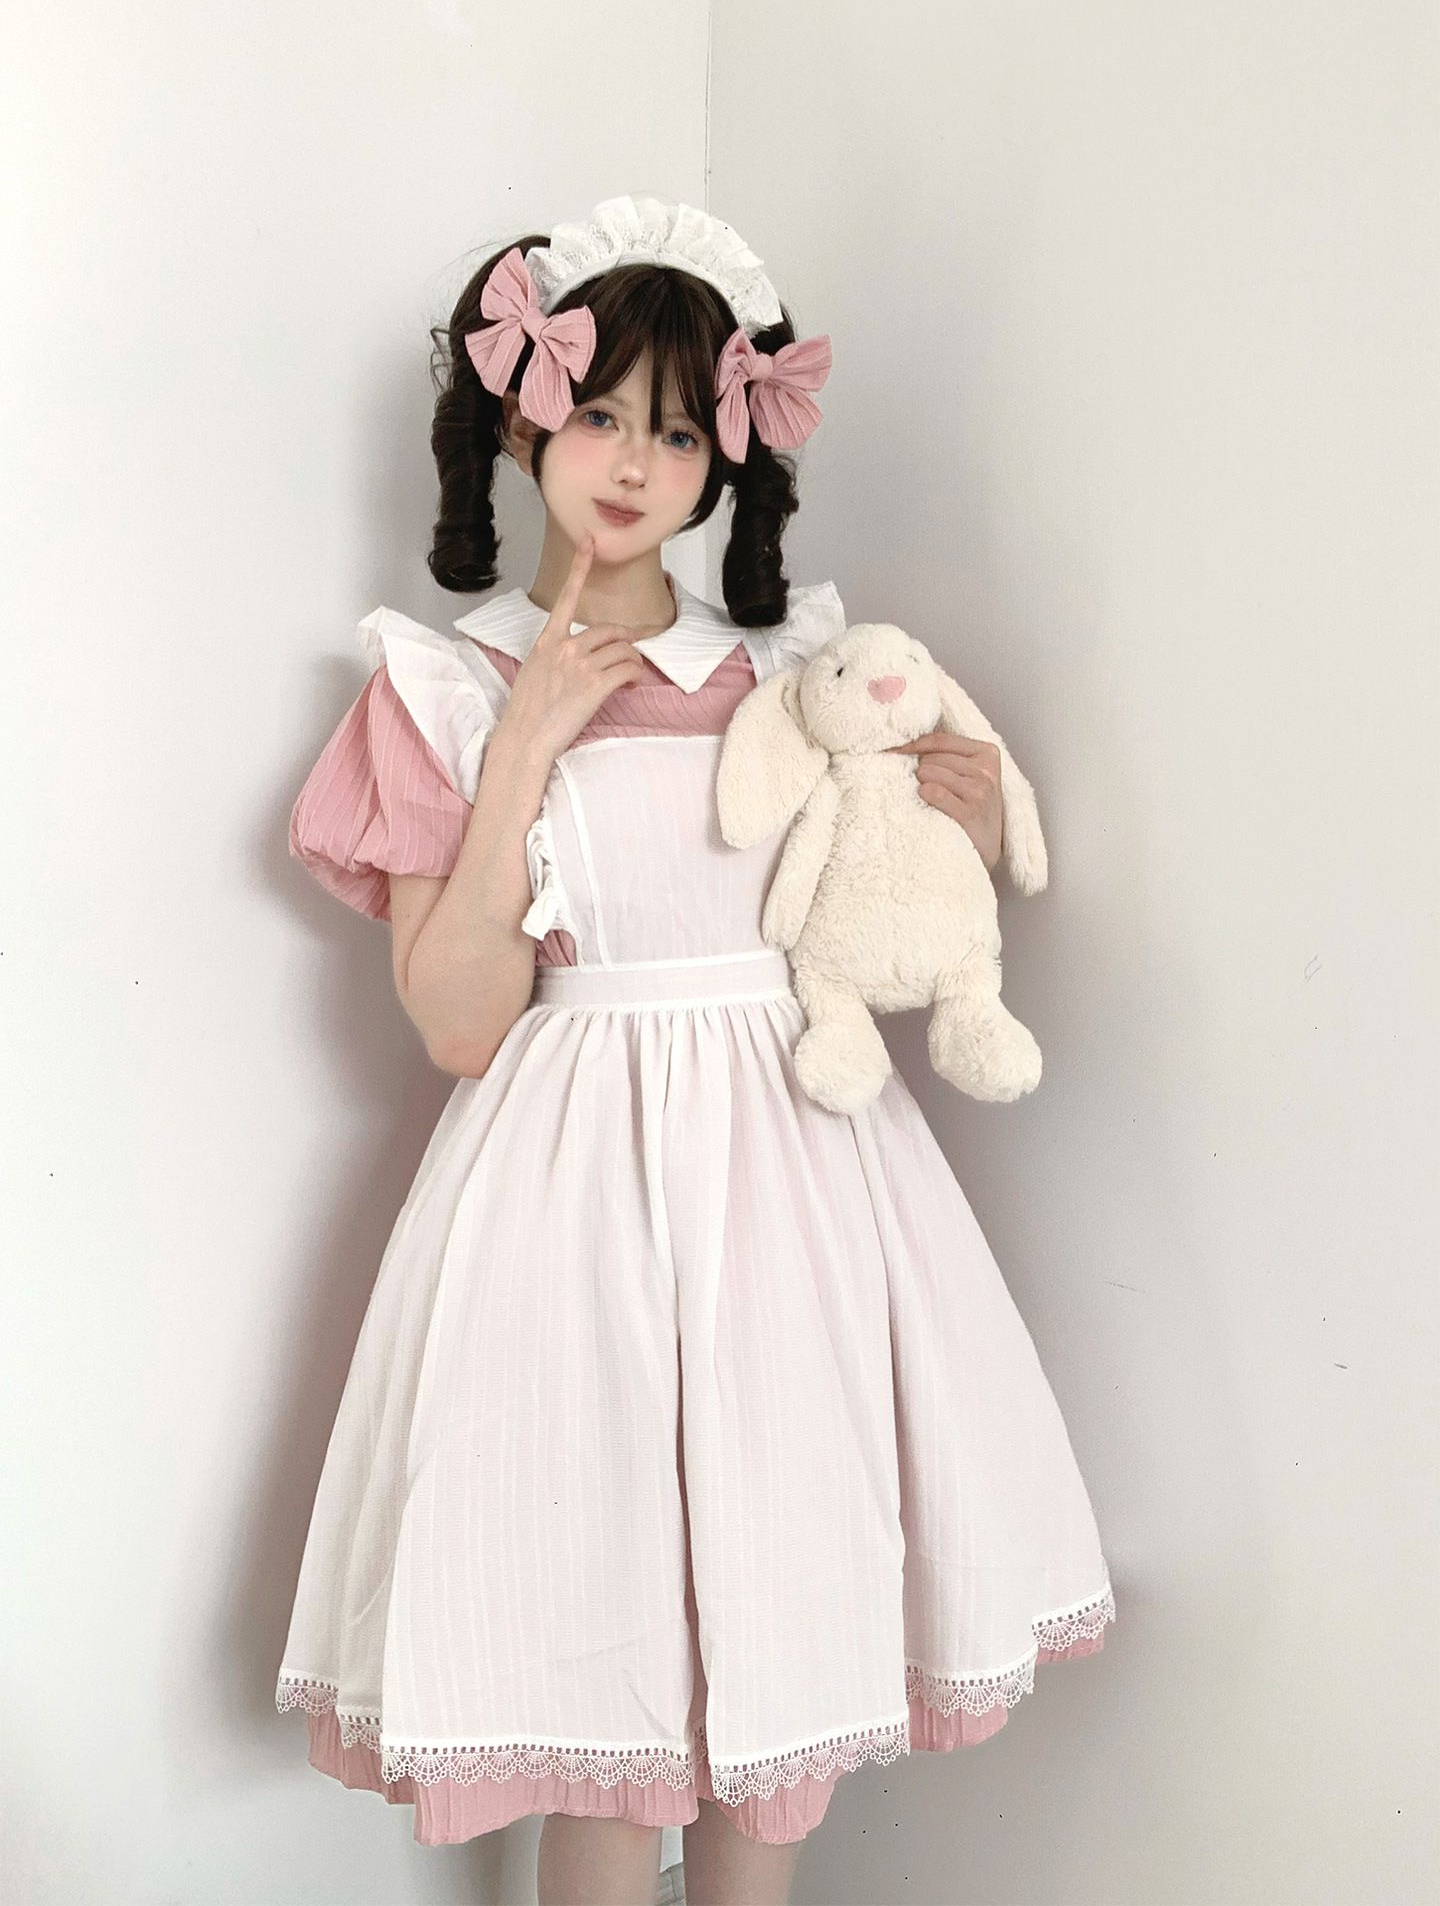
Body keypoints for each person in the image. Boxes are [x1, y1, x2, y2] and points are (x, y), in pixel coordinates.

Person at [275, 194, 1114, 1906]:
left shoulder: (800, 671)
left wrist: (946, 831)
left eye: (675, 428)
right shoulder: (441, 688)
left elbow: (851, 937)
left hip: (801, 1181)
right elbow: (459, 1020)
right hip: (568, 1199)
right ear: (526, 422)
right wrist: (524, 749)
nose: (637, 464)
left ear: (729, 447)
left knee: (786, 1636)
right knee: (598, 1643)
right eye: (600, 413)